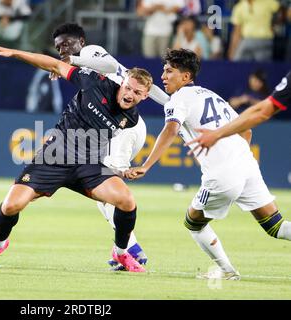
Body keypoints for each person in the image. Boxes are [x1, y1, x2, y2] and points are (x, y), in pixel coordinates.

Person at [0, 43, 154, 272]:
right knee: (11, 206)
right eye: (128, 87)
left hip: (88, 166)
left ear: (145, 96)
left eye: (137, 93)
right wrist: (16, 53)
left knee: (127, 201)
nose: (129, 95)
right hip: (55, 156)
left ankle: (121, 253)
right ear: (123, 82)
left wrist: (120, 172)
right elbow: (54, 65)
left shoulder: (130, 118)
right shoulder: (94, 83)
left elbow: (102, 143)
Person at [125, 49, 291, 280]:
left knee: (193, 222)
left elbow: (170, 129)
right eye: (164, 70)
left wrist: (146, 165)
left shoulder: (179, 99)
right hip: (247, 165)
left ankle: (227, 271)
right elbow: (247, 130)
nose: (163, 76)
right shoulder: (212, 96)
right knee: (276, 226)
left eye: (169, 71)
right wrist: (234, 154)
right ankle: (227, 271)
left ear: (185, 77)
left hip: (223, 173)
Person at [51, 22, 170, 267]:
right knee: (101, 189)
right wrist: (171, 105)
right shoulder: (83, 63)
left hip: (125, 127)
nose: (63, 49)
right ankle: (126, 247)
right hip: (121, 127)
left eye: (68, 44)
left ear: (81, 42)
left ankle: (129, 250)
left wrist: (73, 60)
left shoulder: (90, 52)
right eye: (59, 46)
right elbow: (145, 85)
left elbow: (109, 66)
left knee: (104, 187)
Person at [185, 70, 290, 155]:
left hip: (248, 127)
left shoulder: (263, 94)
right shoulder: (243, 91)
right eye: (255, 79)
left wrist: (216, 134)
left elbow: (262, 112)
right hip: (237, 126)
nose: (255, 82)